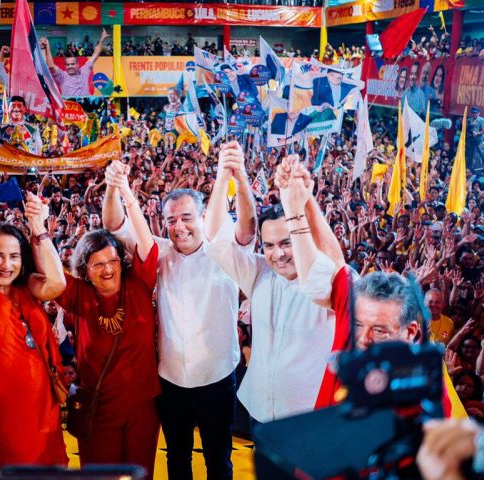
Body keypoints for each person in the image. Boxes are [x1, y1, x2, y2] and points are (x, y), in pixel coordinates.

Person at [103, 163, 256, 480]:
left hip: (217, 379)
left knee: (219, 462)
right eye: (171, 220)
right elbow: (114, 224)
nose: (179, 227)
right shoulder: (158, 252)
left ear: (203, 217)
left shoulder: (224, 253)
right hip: (170, 380)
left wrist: (238, 179)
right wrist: (113, 186)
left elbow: (248, 228)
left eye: (187, 218)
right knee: (177, 461)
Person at [203, 145, 346, 424]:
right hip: (259, 411)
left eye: (286, 243)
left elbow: (330, 272)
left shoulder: (326, 281)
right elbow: (214, 240)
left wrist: (302, 203)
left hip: (308, 418)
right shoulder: (258, 272)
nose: (277, 254)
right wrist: (229, 176)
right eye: (268, 245)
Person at [54, 161, 160, 475]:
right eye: (97, 264)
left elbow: (147, 242)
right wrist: (37, 229)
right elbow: (47, 273)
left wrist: (122, 188)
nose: (107, 269)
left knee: (141, 475)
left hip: (143, 408)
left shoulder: (139, 283)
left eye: (112, 260)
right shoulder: (78, 295)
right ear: (84, 270)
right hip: (97, 410)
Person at [0, 183, 69, 466]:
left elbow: (57, 282)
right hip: (2, 417)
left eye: (14, 256)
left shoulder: (27, 288)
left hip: (43, 410)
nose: (6, 265)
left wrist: (38, 226)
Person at [43, 29, 109, 97]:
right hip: (69, 106)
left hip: (84, 106)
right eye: (68, 65)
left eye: (72, 64)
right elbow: (51, 66)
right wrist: (47, 46)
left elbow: (95, 55)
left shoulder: (84, 71)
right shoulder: (62, 76)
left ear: (77, 65)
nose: (70, 66)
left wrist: (102, 39)